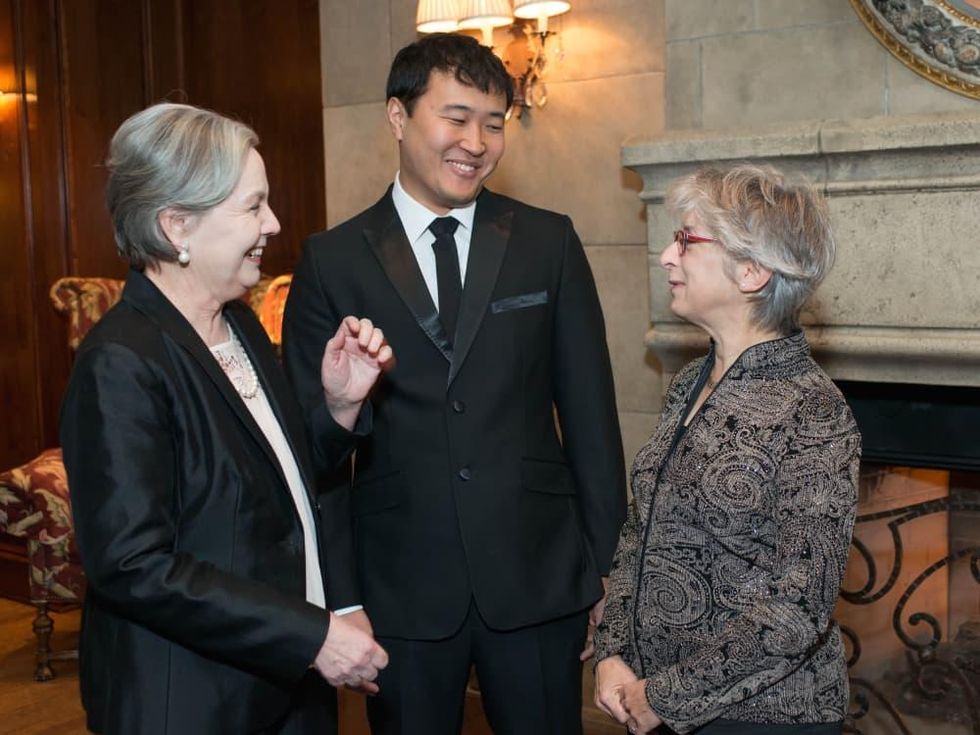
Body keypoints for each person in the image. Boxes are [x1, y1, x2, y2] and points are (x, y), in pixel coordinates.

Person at [283, 33, 626, 735]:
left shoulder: (547, 241)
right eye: (457, 116)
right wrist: (340, 596)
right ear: (399, 117)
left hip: (538, 575)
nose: (477, 141)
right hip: (398, 590)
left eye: (495, 122)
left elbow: (590, 416)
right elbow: (315, 453)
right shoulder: (331, 259)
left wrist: (608, 570)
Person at [60, 103, 390, 735]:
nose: (273, 222)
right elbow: (133, 566)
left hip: (283, 685)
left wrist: (341, 408)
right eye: (251, 206)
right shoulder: (121, 361)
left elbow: (275, 484)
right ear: (176, 226)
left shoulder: (236, 323)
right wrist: (313, 633)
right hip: (192, 699)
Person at [593, 163, 861, 735]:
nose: (667, 255)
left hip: (765, 717)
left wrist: (665, 697)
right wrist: (612, 649)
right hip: (653, 697)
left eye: (685, 240)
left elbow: (797, 608)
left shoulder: (814, 410)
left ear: (752, 271)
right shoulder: (691, 380)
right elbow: (641, 528)